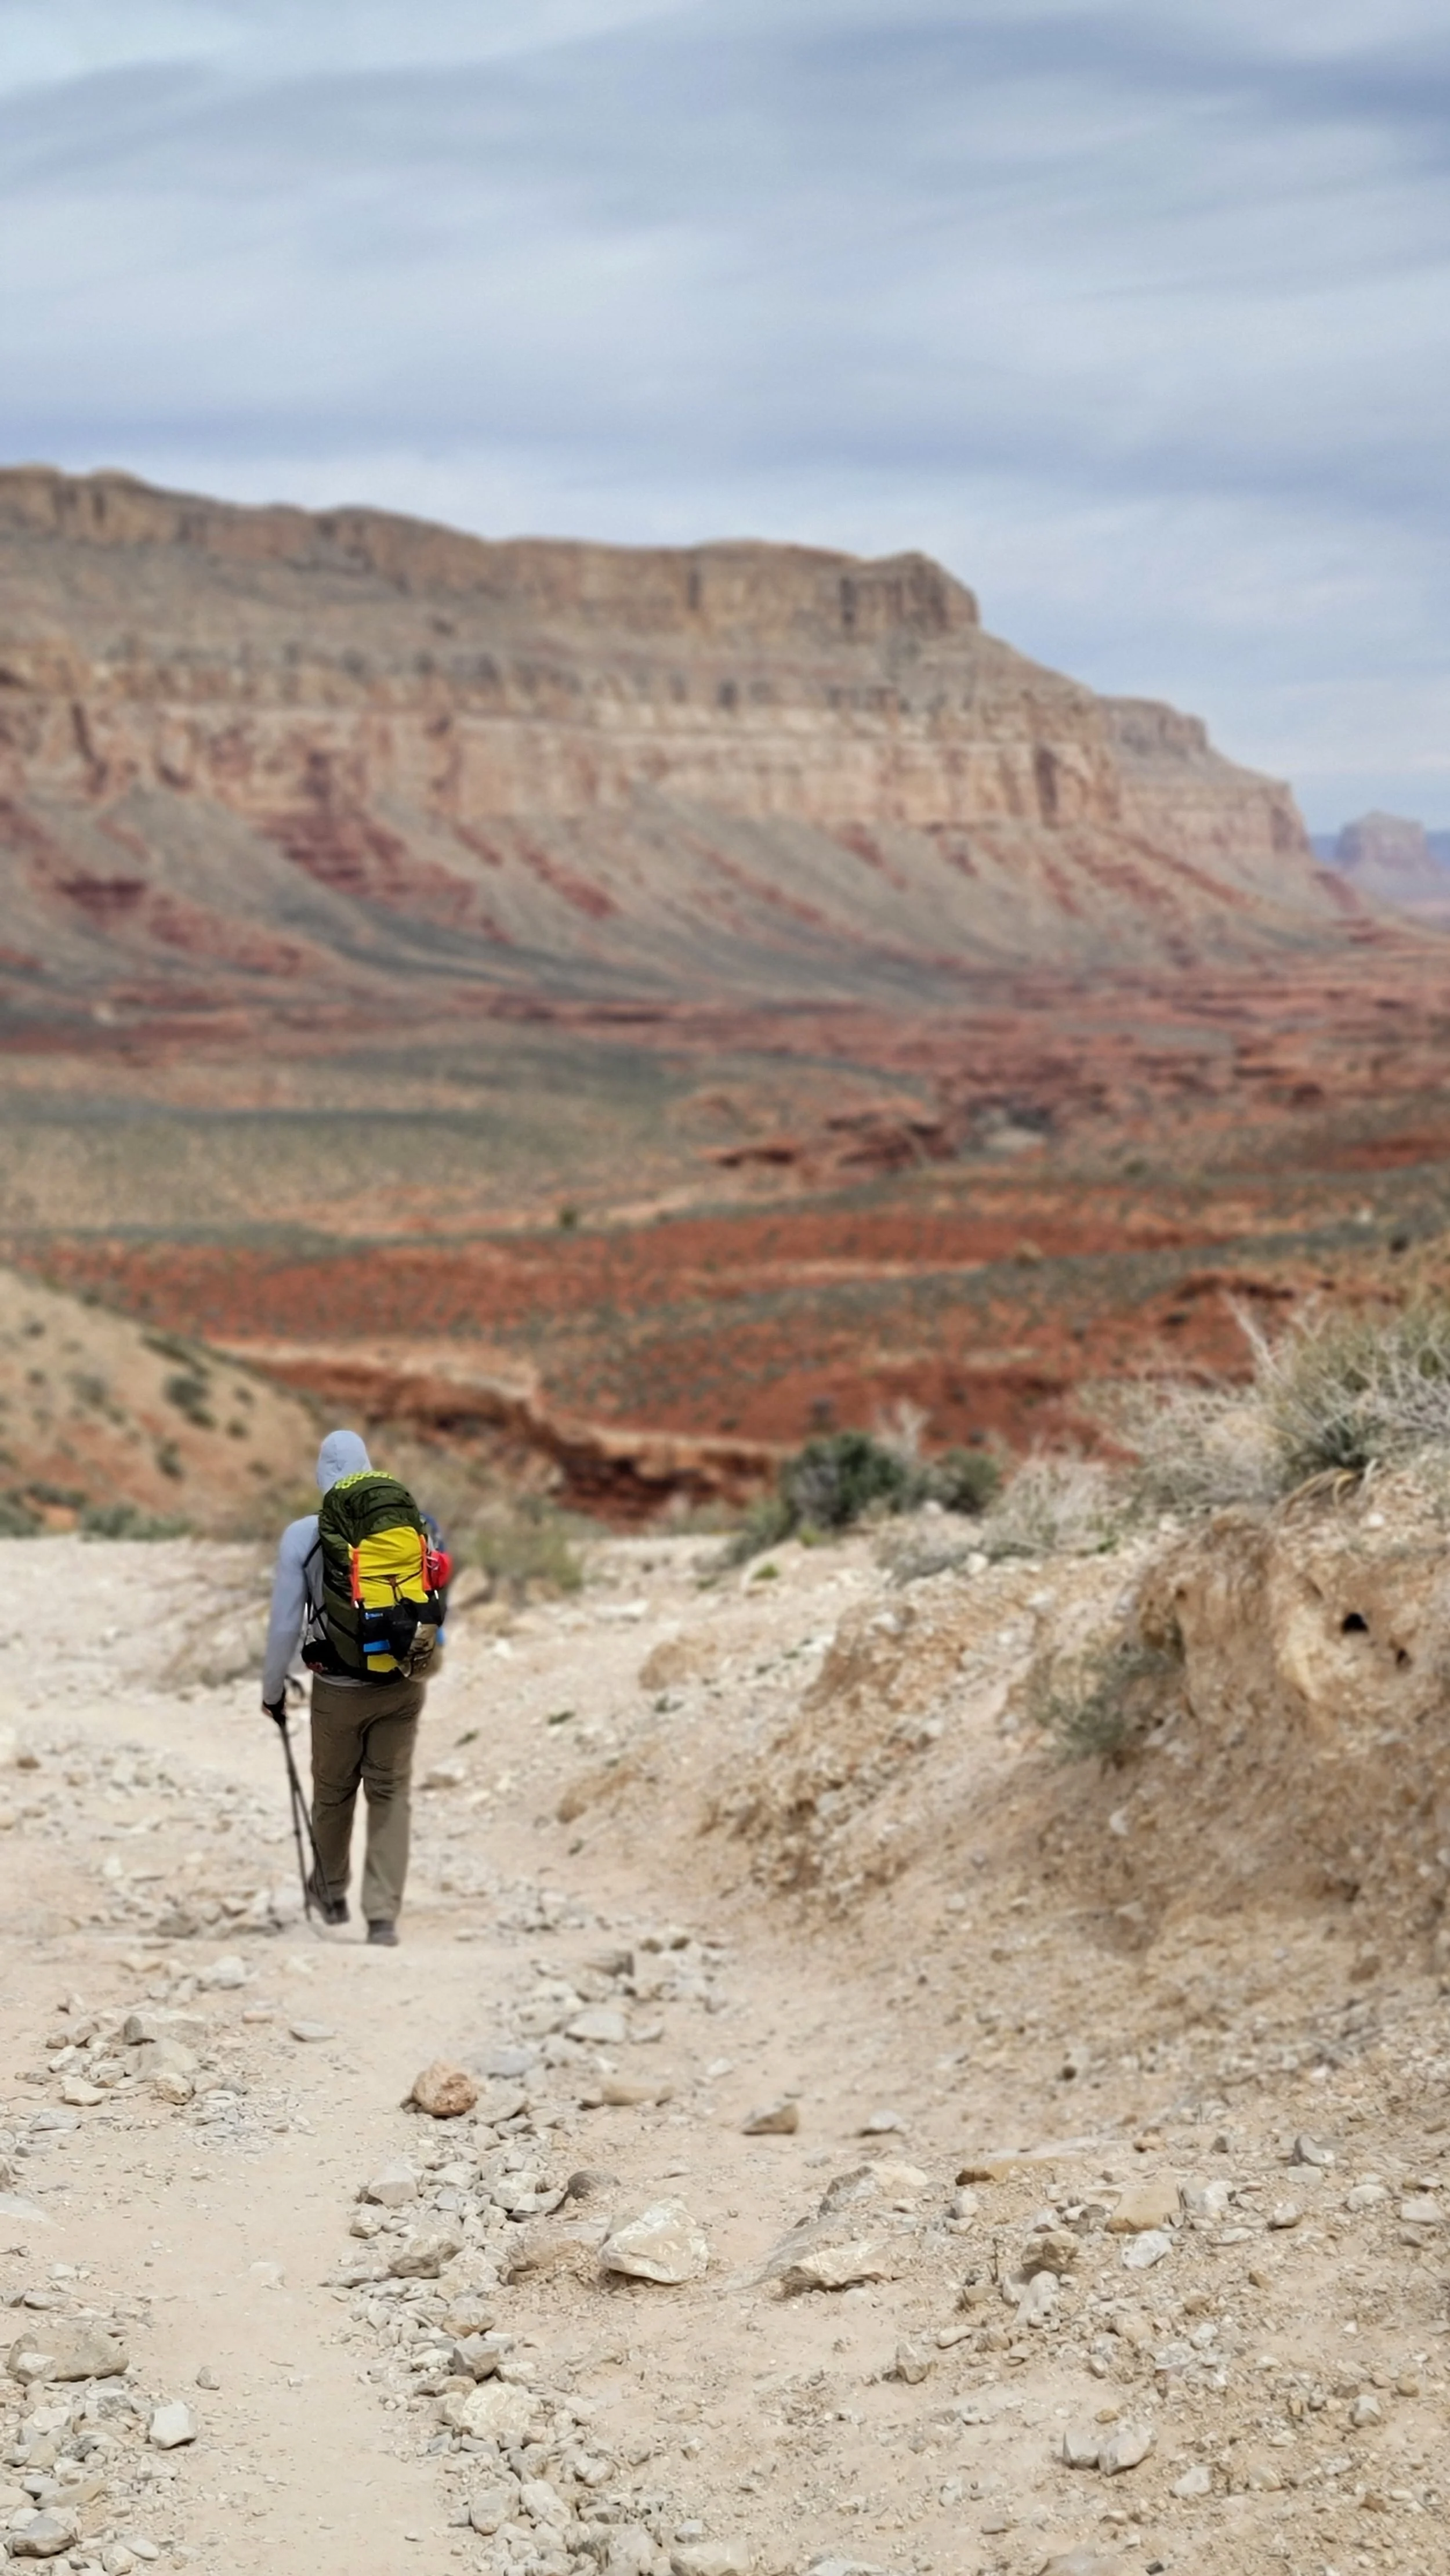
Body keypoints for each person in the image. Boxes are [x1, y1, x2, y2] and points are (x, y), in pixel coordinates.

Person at [260, 1429, 432, 1947]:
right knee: (391, 1792)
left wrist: (274, 1687)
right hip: (403, 1681)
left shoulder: (302, 1536)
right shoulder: (412, 1524)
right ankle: (382, 1918)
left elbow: (285, 1625)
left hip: (338, 1687)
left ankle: (331, 1896)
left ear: (321, 1475)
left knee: (334, 1794)